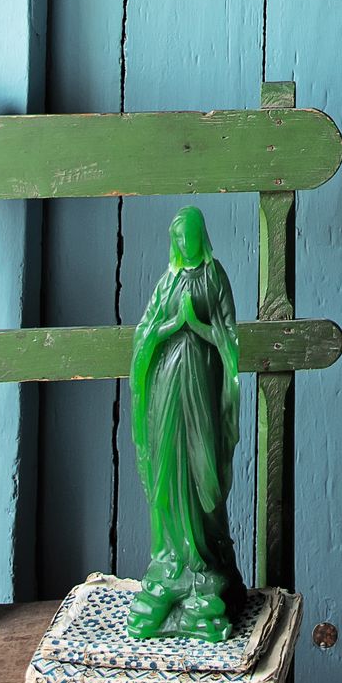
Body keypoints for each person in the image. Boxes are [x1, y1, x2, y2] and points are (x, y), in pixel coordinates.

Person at [127, 207, 245, 642]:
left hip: (201, 389)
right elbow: (144, 334)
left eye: (191, 236)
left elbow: (231, 339)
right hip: (166, 391)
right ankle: (171, 559)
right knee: (168, 473)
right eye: (178, 237)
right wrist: (168, 328)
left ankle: (205, 563)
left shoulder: (215, 277)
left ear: (201, 236)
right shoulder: (168, 281)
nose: (185, 244)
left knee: (202, 473)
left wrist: (199, 328)